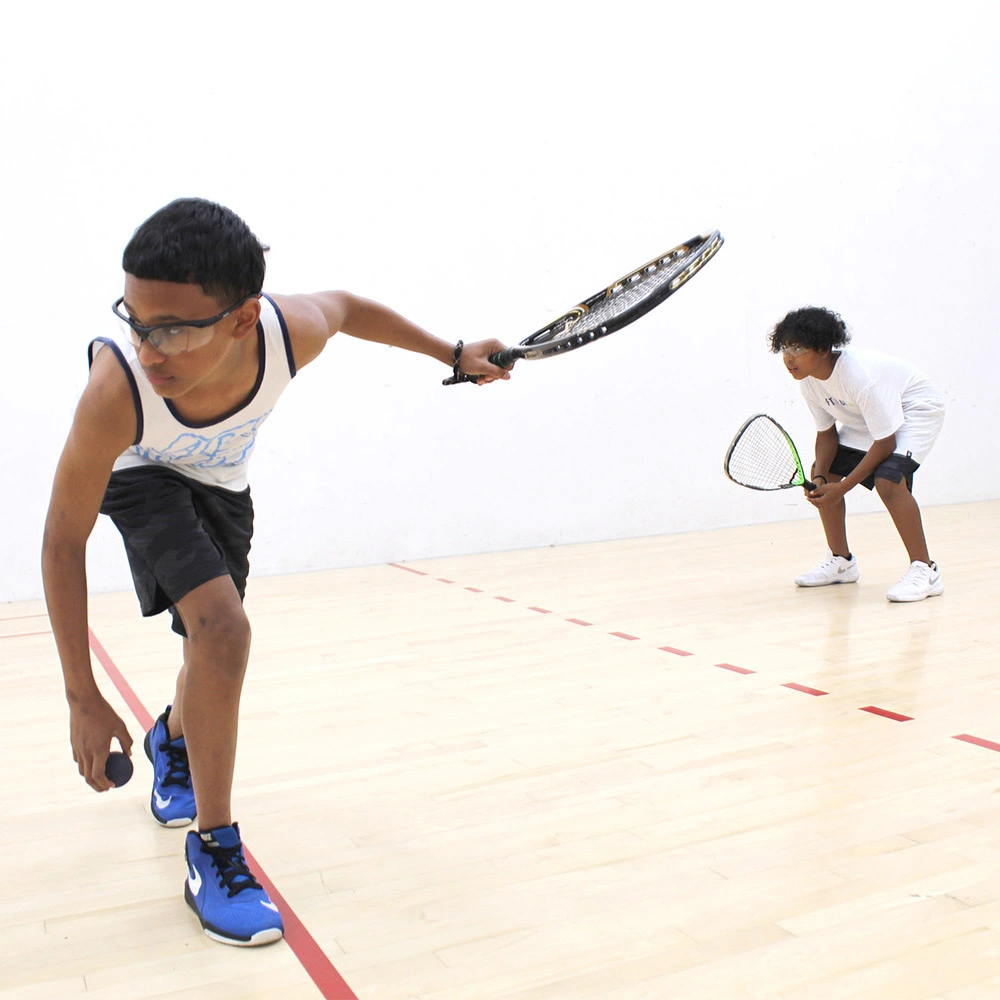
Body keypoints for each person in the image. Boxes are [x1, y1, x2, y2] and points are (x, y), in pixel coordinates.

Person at [41, 197, 511, 947]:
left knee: (210, 646)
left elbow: (351, 307)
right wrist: (81, 695)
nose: (147, 346)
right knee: (225, 630)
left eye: (169, 329)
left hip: (225, 487)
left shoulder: (291, 331)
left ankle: (173, 740)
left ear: (240, 318)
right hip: (142, 477)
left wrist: (452, 354)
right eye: (133, 319)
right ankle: (215, 849)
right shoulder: (115, 391)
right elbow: (63, 540)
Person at [768, 306, 946, 603]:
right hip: (870, 419)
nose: (788, 358)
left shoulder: (859, 376)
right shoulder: (809, 380)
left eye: (797, 348)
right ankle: (841, 561)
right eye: (784, 348)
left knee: (889, 479)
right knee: (822, 471)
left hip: (915, 410)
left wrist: (843, 487)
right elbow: (827, 434)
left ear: (823, 348)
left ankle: (925, 570)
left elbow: (885, 443)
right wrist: (823, 476)